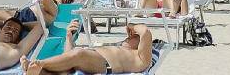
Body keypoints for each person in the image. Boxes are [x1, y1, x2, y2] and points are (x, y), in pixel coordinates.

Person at [20, 21, 153, 74]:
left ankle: (37, 64)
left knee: (79, 54)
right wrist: (68, 38)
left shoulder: (141, 58)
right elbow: (68, 56)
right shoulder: (120, 49)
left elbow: (145, 31)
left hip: (105, 65)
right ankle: (37, 72)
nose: (129, 36)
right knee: (66, 68)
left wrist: (133, 28)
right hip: (90, 61)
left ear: (142, 44)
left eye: (133, 37)